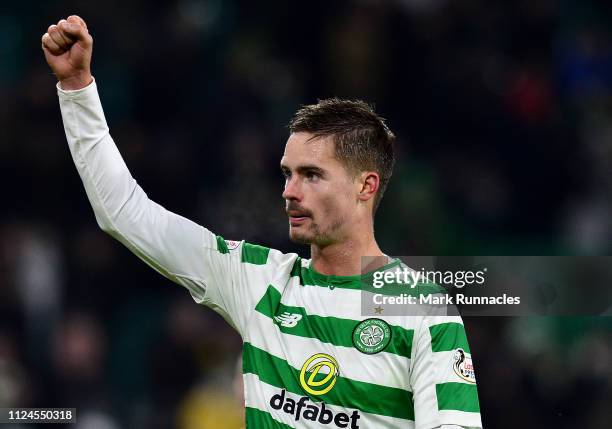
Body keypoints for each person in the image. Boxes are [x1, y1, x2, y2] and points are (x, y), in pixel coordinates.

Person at [42, 15, 483, 429]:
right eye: (287, 174)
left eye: (311, 175)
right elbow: (125, 212)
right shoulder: (259, 281)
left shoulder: (423, 309)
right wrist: (78, 88)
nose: (290, 191)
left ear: (365, 187)